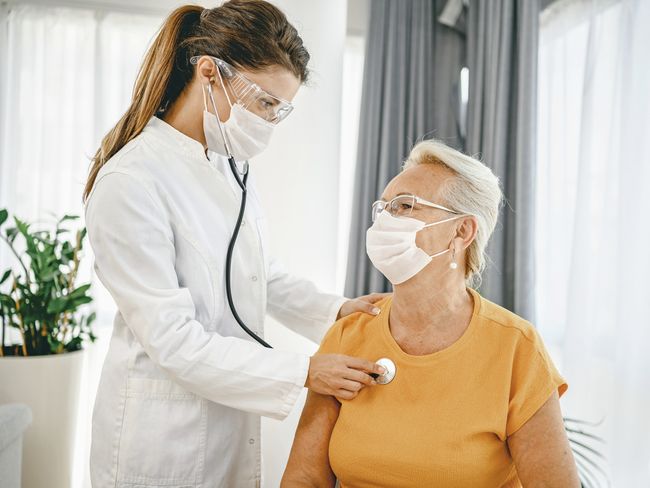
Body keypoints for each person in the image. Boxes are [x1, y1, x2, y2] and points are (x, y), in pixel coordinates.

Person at [83, 2, 385, 486]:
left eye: (278, 110)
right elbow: (173, 340)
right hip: (163, 440)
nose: (268, 121)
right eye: (265, 102)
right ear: (209, 72)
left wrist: (338, 310)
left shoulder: (228, 164)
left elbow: (258, 273)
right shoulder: (130, 181)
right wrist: (305, 371)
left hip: (224, 419)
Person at [281, 139, 581, 487]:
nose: (386, 221)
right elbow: (304, 478)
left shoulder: (516, 348)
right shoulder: (348, 334)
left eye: (406, 206)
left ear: (462, 230)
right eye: (384, 208)